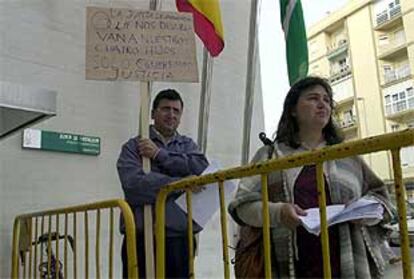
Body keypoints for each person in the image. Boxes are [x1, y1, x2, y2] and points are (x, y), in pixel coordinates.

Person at [228, 76, 395, 278]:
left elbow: (382, 200)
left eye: (326, 100)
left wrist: (365, 213)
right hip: (287, 265)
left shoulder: (348, 154)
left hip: (345, 264)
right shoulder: (269, 156)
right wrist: (278, 213)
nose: (322, 104)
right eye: (313, 98)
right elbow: (242, 206)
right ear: (293, 110)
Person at [117, 89, 208, 278]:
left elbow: (202, 171)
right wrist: (181, 183)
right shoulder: (135, 146)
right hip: (141, 239)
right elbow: (134, 186)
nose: (171, 114)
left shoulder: (187, 145)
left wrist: (160, 155)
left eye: (176, 111)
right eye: (165, 108)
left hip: (179, 239)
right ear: (152, 113)